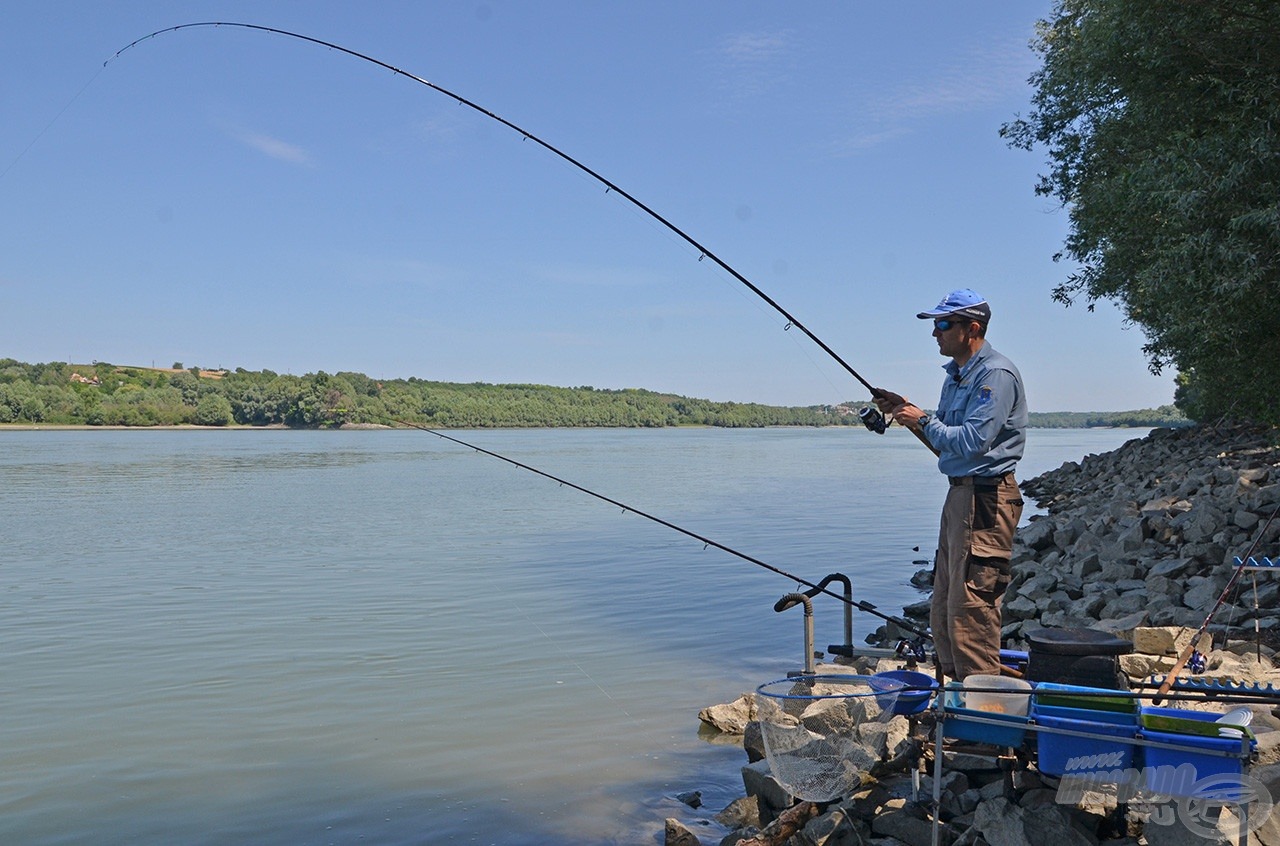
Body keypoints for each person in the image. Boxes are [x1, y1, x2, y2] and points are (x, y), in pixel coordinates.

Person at [875, 288, 1027, 680]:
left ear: (972, 328)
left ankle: (987, 720)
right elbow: (945, 446)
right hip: (959, 496)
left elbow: (974, 442)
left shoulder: (996, 375)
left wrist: (924, 420)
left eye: (943, 324)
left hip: (987, 500)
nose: (935, 334)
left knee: (971, 611)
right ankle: (957, 704)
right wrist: (905, 414)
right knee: (943, 607)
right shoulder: (955, 377)